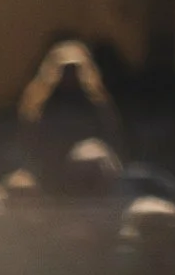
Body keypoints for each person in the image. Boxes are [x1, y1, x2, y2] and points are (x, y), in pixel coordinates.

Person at [15, 42, 122, 177]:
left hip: (89, 169)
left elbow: (110, 135)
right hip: (51, 169)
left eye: (74, 69)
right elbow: (30, 138)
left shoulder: (96, 103)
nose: (70, 75)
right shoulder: (41, 104)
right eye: (65, 70)